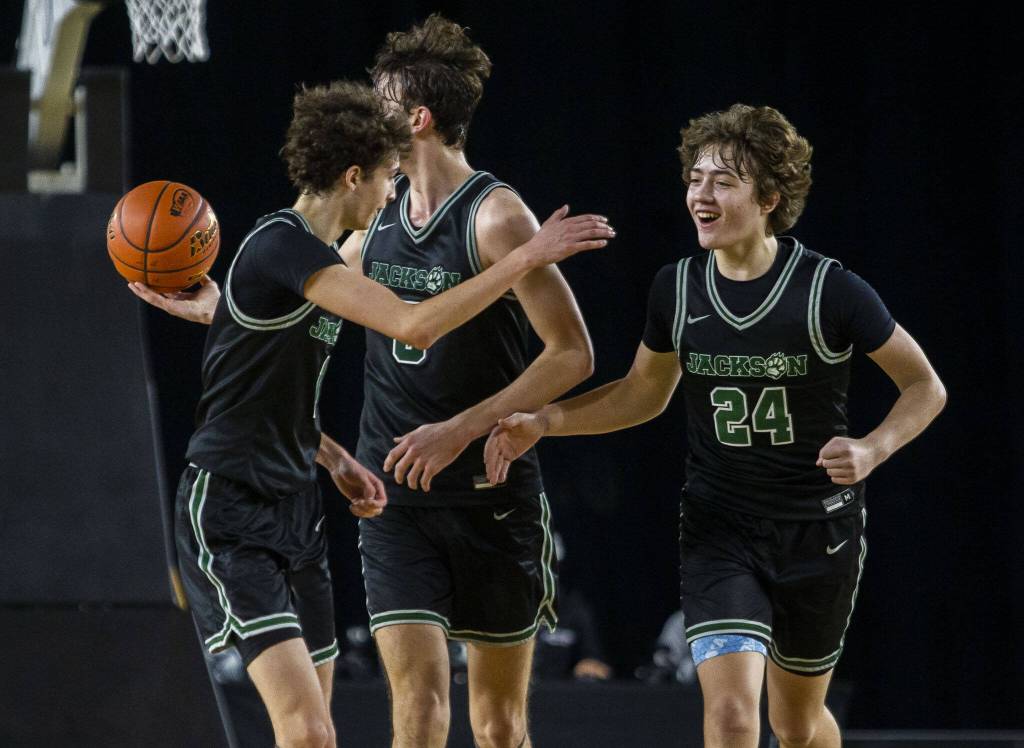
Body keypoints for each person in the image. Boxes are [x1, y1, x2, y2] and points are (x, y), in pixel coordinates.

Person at [129, 80, 613, 748]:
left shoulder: (319, 261)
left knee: (318, 731)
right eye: (386, 178)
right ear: (353, 176)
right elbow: (413, 326)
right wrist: (528, 255)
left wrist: (334, 457)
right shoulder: (283, 243)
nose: (392, 193)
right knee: (306, 735)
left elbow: (269, 353)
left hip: (296, 500)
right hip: (231, 504)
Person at [484, 103, 947, 748]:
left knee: (797, 722)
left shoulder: (828, 290)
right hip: (719, 528)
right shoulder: (676, 288)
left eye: (723, 182)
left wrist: (873, 446)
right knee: (730, 719)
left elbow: (926, 385)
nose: (700, 194)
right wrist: (547, 420)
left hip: (817, 531)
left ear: (769, 198)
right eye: (695, 178)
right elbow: (643, 392)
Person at [332, 16, 602, 748]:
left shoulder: (496, 216)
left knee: (498, 726)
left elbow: (572, 355)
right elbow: (312, 295)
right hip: (397, 497)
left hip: (490, 498)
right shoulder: (374, 211)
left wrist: (463, 427)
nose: (364, 113)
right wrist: (225, 307)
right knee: (417, 712)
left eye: (378, 100)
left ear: (417, 117)